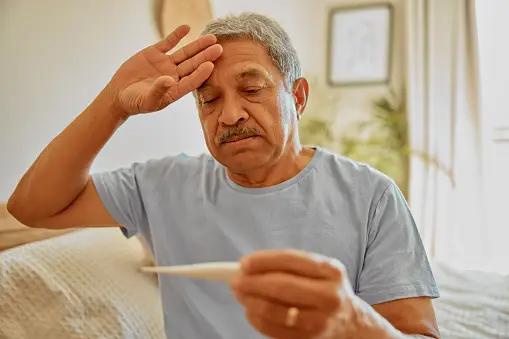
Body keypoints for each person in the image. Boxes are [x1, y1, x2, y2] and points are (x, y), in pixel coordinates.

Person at [7, 12, 440, 339]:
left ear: (299, 97)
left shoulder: (372, 195)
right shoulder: (161, 186)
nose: (230, 115)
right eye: (209, 100)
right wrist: (114, 103)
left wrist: (353, 322)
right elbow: (30, 206)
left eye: (251, 90)